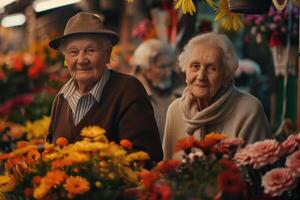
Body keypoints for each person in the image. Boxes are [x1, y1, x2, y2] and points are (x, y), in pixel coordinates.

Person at [46, 12, 163, 163]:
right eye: (73, 52)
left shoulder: (128, 91)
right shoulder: (60, 99)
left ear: (107, 54)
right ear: (66, 59)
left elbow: (146, 159)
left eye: (90, 50)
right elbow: (50, 153)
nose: (81, 60)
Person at [163, 32, 272, 160]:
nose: (201, 76)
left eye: (211, 68)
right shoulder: (175, 111)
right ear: (185, 71)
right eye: (195, 66)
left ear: (226, 76)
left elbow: (258, 172)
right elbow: (167, 170)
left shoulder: (249, 110)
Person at [131, 39, 184, 140]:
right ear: (144, 69)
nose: (168, 72)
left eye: (170, 65)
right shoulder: (132, 93)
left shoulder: (183, 90)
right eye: (162, 67)